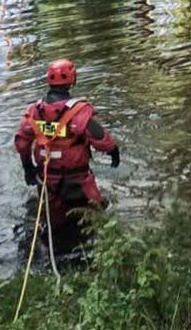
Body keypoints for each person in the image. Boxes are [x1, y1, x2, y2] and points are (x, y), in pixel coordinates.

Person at [14, 59, 120, 224]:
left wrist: (28, 168)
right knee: (98, 214)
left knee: (53, 220)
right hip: (78, 180)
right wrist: (113, 151)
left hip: (47, 178)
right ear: (72, 79)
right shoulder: (78, 111)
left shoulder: (34, 111)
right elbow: (98, 136)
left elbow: (22, 142)